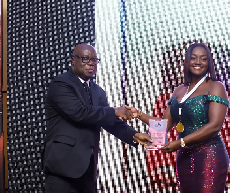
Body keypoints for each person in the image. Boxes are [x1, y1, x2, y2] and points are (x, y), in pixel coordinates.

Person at [43, 43, 151, 193]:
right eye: (86, 59)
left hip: (87, 171)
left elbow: (108, 121)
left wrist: (134, 135)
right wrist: (115, 111)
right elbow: (80, 113)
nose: (91, 64)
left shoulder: (98, 91)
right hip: (62, 170)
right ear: (73, 61)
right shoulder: (61, 84)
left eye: (94, 60)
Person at [127, 42, 229, 192]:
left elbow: (214, 126)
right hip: (184, 157)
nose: (198, 62)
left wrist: (180, 142)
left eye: (203, 58)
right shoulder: (179, 90)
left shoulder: (215, 86)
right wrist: (139, 114)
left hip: (209, 156)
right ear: (187, 61)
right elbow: (164, 125)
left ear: (209, 63)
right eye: (194, 58)